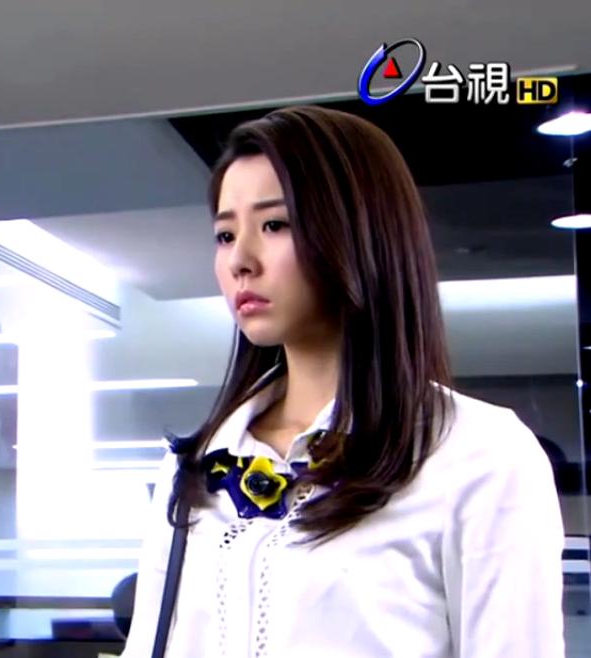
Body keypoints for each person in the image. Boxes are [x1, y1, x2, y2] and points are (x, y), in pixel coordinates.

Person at [121, 106, 565, 657]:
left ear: (360, 235)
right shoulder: (194, 466)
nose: (240, 260)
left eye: (275, 225)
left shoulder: (479, 455)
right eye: (225, 234)